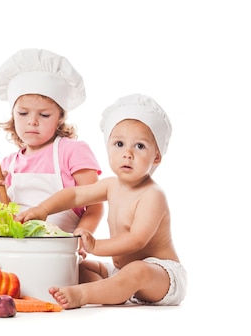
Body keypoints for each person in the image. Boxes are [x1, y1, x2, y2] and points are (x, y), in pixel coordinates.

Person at [17, 94, 187, 309]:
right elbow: (75, 195)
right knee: (76, 266)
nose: (127, 154)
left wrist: (95, 245)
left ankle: (84, 295)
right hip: (120, 271)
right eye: (119, 144)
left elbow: (137, 240)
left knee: (137, 270)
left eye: (140, 146)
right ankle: (110, 290)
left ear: (156, 157)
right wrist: (43, 209)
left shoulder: (152, 195)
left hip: (159, 274)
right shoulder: (110, 185)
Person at [0, 48, 104, 256]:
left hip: (54, 251)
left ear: (60, 118)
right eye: (23, 113)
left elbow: (95, 206)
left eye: (44, 115)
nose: (32, 121)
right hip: (14, 248)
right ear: (13, 115)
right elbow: (2, 218)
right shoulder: (9, 163)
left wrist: (82, 237)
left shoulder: (72, 151)